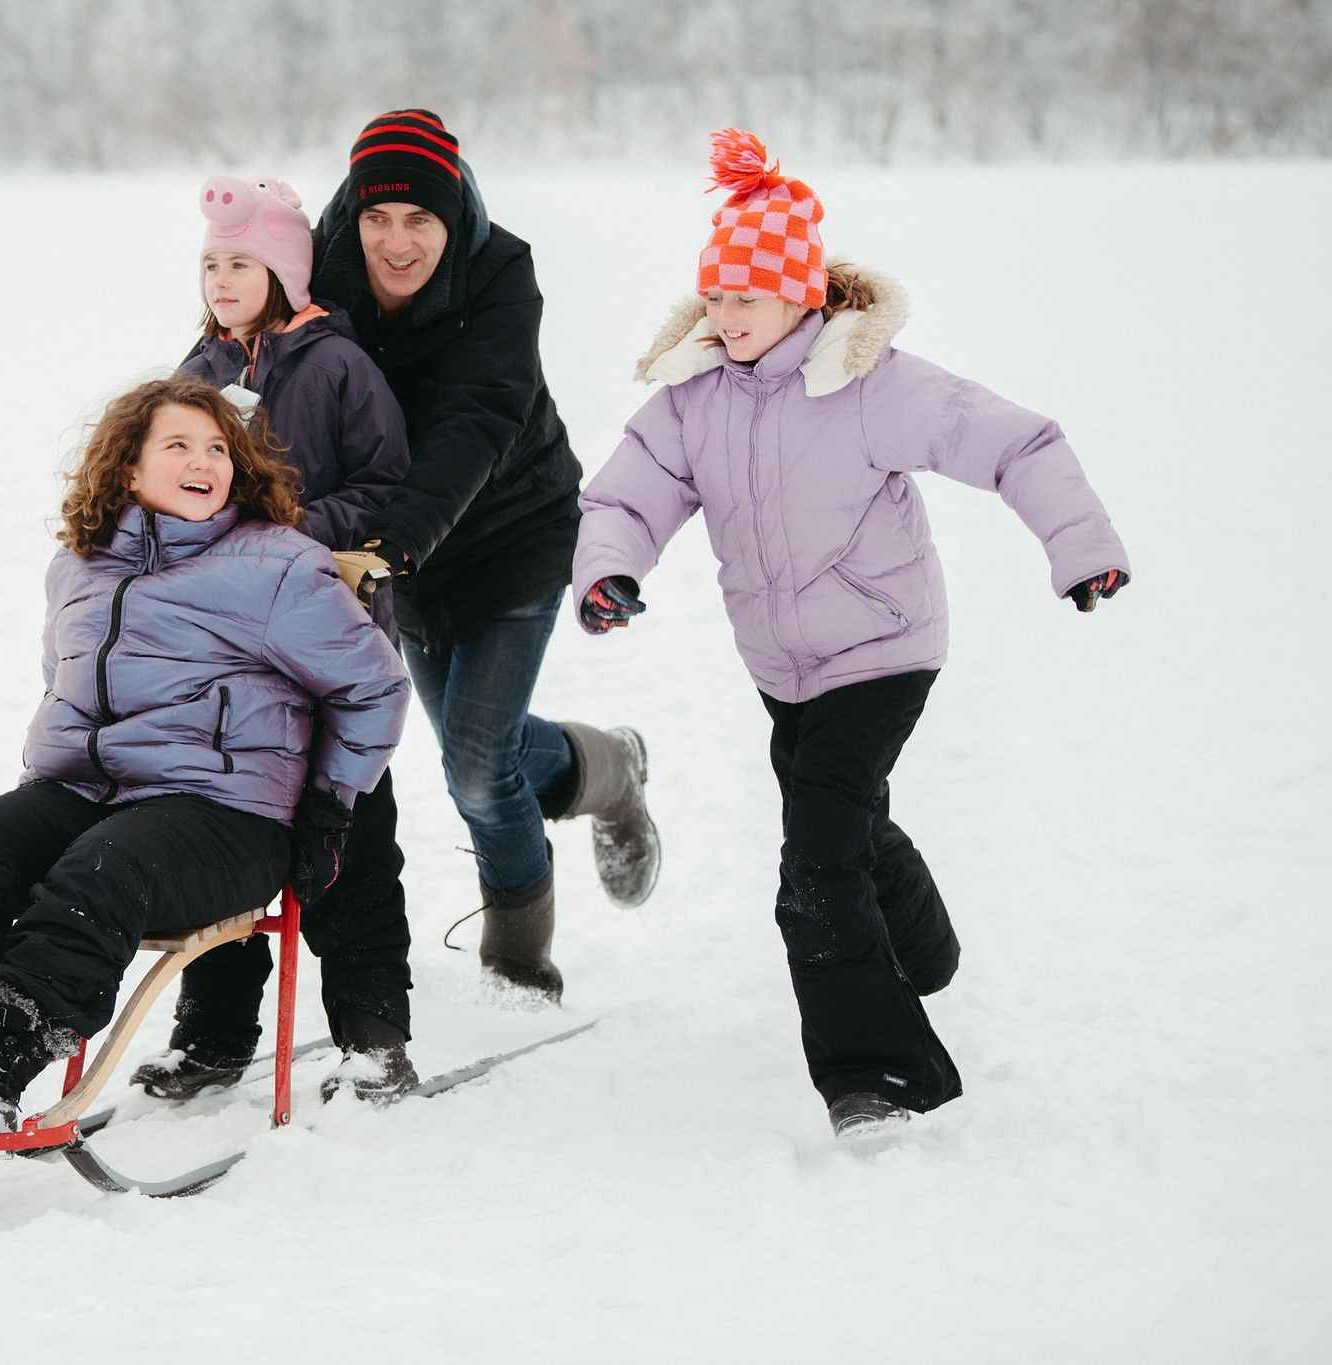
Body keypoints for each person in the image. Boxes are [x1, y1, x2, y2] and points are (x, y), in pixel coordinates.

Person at [573, 130, 1132, 1137]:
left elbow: (1015, 443)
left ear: (800, 295)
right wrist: (609, 569)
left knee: (815, 855)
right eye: (714, 296)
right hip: (780, 663)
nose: (723, 315)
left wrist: (1077, 547)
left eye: (744, 297)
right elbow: (627, 494)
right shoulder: (693, 395)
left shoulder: (868, 379)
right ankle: (924, 952)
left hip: (880, 649)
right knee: (845, 815)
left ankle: (876, 1074)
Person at [0, 376, 410, 1137]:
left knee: (107, 865)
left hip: (225, 814)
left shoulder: (275, 567)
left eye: (217, 448)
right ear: (126, 468)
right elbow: (64, 688)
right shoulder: (79, 568)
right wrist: (31, 812)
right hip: (94, 792)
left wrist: (330, 806)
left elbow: (373, 687)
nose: (203, 460)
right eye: (177, 444)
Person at [308, 109, 657, 1004]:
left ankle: (519, 957)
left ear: (453, 214)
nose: (396, 242)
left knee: (473, 765)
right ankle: (609, 768)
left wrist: (393, 544)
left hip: (510, 535)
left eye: (420, 219)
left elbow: (478, 421)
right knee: (482, 752)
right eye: (377, 218)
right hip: (408, 559)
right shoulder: (325, 271)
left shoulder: (502, 274)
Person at [124, 174, 420, 1102]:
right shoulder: (200, 371)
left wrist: (285, 528)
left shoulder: (335, 365)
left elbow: (386, 485)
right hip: (228, 663)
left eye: (241, 262)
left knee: (354, 845)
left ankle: (374, 1038)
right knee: (231, 829)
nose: (221, 278)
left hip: (327, 639)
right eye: (210, 263)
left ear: (284, 272)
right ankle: (214, 1035)